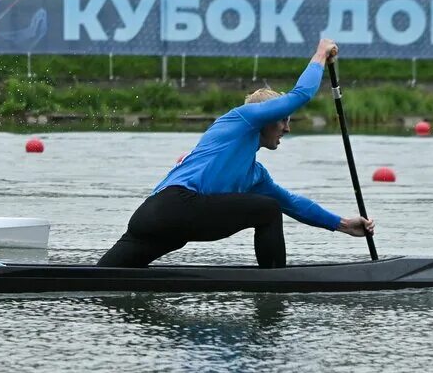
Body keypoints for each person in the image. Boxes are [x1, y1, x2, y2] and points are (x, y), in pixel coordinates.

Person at [97, 38, 374, 269]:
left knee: (102, 278)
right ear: (267, 117)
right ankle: (275, 286)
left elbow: (292, 204)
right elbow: (301, 94)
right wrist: (319, 55)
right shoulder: (242, 119)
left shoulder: (254, 175)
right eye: (283, 120)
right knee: (266, 210)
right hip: (175, 206)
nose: (287, 129)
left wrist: (343, 225)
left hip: (153, 217)